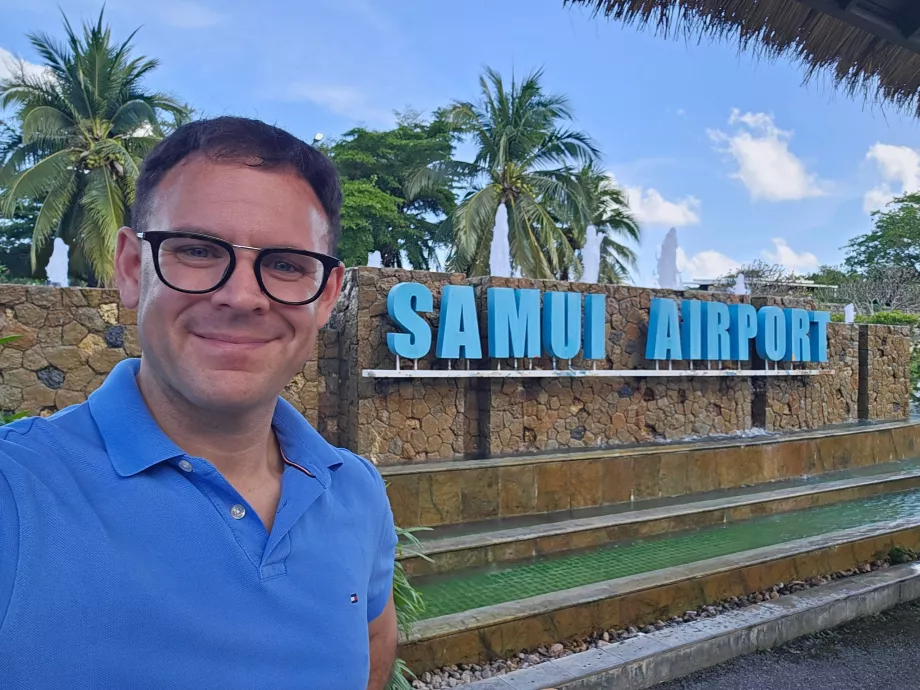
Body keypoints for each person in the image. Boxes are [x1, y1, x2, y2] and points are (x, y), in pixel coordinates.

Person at [0, 117, 398, 689]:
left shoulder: (355, 489)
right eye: (197, 250)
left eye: (286, 264)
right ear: (132, 268)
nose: (242, 296)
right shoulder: (18, 492)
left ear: (327, 297)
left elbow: (374, 640)